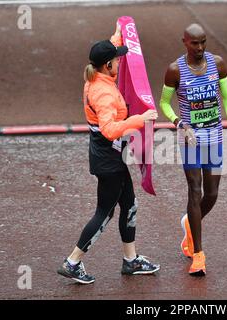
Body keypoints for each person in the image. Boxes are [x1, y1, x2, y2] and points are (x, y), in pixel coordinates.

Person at [57, 22, 160, 284]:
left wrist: (121, 26)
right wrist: (140, 118)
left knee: (129, 204)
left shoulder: (99, 74)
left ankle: (131, 260)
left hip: (111, 156)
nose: (120, 63)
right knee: (105, 212)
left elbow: (111, 45)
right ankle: (73, 261)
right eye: (117, 60)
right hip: (108, 157)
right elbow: (110, 130)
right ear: (107, 66)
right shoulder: (102, 92)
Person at [159, 23, 227, 276]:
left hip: (215, 136)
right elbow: (164, 103)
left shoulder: (217, 64)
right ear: (184, 42)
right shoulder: (175, 70)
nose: (200, 48)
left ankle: (188, 222)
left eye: (203, 42)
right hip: (191, 140)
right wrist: (179, 123)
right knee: (194, 191)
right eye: (194, 43)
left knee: (212, 194)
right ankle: (198, 254)